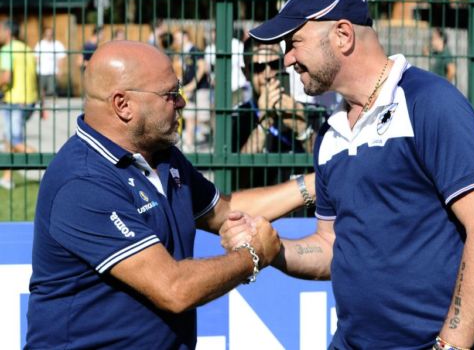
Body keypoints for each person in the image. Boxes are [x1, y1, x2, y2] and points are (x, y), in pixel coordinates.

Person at [222, 0, 474, 350]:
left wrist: (450, 346)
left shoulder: (428, 103)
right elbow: (331, 247)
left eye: (294, 42)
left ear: (343, 35)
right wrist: (271, 249)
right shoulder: (331, 136)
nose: (287, 58)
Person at [25, 40, 316, 348]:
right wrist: (253, 256)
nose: (183, 102)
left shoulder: (160, 155)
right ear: (123, 105)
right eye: (170, 94)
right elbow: (174, 289)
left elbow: (224, 209)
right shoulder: (82, 181)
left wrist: (316, 184)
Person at [232, 37, 319, 155]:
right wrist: (263, 124)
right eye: (258, 67)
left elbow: (329, 165)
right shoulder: (237, 117)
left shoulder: (311, 112)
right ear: (246, 73)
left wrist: (301, 127)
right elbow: (236, 171)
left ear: (283, 66)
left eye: (274, 64)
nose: (268, 74)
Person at [0, 19, 39, 190]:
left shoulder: (7, 50)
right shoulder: (26, 49)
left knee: (14, 140)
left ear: (8, 32)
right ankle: (7, 178)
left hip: (14, 101)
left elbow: (6, 77)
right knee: (9, 140)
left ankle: (48, 161)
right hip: (29, 100)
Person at [177, 28, 212, 150]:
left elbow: (202, 67)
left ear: (185, 37)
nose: (176, 40)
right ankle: (189, 144)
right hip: (189, 90)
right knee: (189, 116)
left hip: (200, 89)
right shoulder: (183, 52)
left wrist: (193, 84)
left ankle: (215, 141)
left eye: (178, 37)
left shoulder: (194, 50)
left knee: (205, 118)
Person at [34, 26, 66, 98]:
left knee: (52, 91)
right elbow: (36, 57)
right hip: (41, 71)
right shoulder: (40, 44)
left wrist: (60, 70)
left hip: (53, 71)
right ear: (44, 34)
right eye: (47, 34)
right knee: (41, 90)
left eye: (50, 34)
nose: (49, 35)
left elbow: (61, 58)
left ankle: (51, 106)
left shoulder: (57, 44)